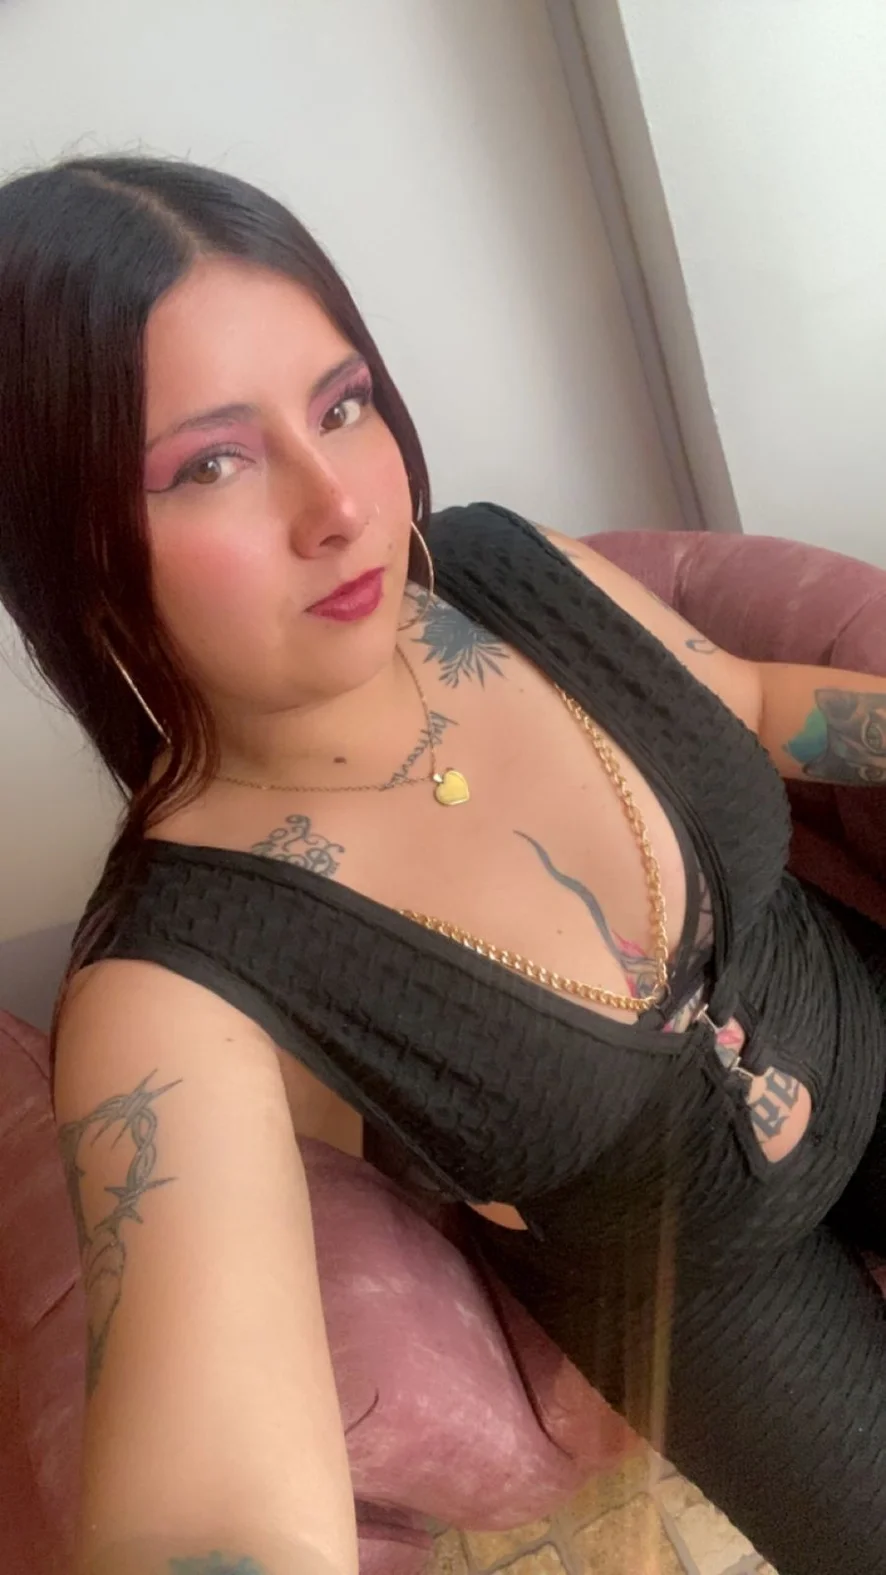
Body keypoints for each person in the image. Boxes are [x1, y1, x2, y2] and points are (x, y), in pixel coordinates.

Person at [1, 154, 885, 1575]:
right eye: (211, 464)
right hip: (703, 1290)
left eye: (340, 405)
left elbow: (754, 703)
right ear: (76, 544)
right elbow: (210, 1492)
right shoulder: (171, 984)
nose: (339, 505)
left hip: (859, 1023)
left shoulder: (501, 571)